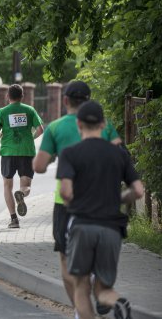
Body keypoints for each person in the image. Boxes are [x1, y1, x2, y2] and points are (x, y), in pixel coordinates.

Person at [32, 80, 122, 316]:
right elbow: (119, 155)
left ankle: (80, 310)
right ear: (90, 101)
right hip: (103, 201)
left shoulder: (56, 127)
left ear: (64, 101)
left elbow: (39, 166)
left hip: (67, 203)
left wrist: (52, 156)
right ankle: (98, 286)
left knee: (66, 259)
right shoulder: (106, 126)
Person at [57, 100, 143, 319]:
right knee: (103, 290)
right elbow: (138, 190)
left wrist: (76, 202)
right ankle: (118, 302)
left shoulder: (70, 153)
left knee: (81, 287)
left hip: (82, 224)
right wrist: (117, 199)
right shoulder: (119, 154)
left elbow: (66, 192)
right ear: (103, 124)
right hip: (111, 228)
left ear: (78, 125)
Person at [0, 84, 44, 228]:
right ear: (22, 96)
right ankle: (21, 193)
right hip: (26, 151)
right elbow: (40, 129)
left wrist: (2, 134)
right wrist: (31, 138)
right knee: (26, 185)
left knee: (7, 186)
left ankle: (14, 219)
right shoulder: (29, 110)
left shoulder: (2, 112)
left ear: (7, 96)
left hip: (8, 152)